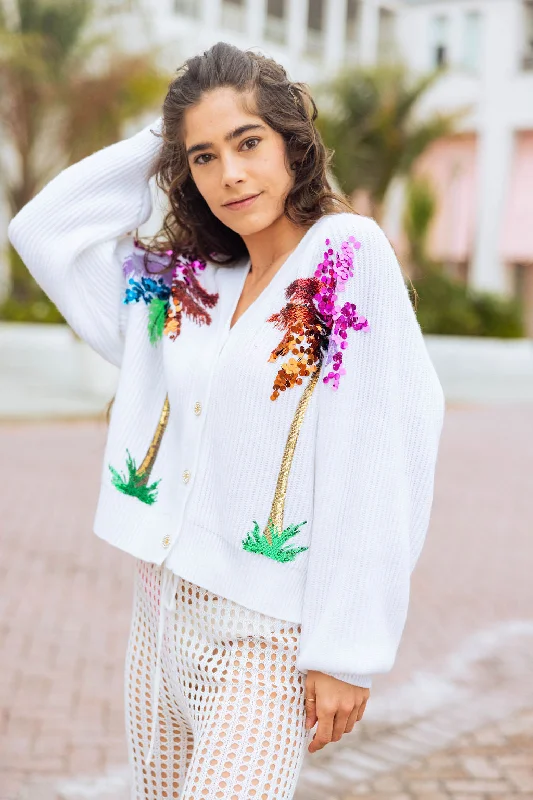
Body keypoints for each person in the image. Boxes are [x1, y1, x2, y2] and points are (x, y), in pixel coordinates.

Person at [7, 41, 445, 800]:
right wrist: (171, 127)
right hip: (160, 616)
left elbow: (380, 455)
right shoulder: (188, 286)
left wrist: (347, 651)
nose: (230, 174)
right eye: (203, 158)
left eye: (248, 143)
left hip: (262, 638)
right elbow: (44, 229)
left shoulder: (346, 255)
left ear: (292, 144)